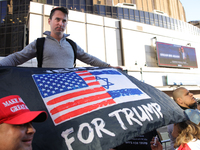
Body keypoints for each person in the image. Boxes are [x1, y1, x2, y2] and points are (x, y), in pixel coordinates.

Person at [0, 7, 120, 69]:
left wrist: (109, 67)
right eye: (57, 19)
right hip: (48, 94)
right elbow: (16, 58)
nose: (60, 23)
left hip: (70, 93)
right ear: (50, 21)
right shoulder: (39, 43)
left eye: (64, 21)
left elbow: (90, 59)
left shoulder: (72, 45)